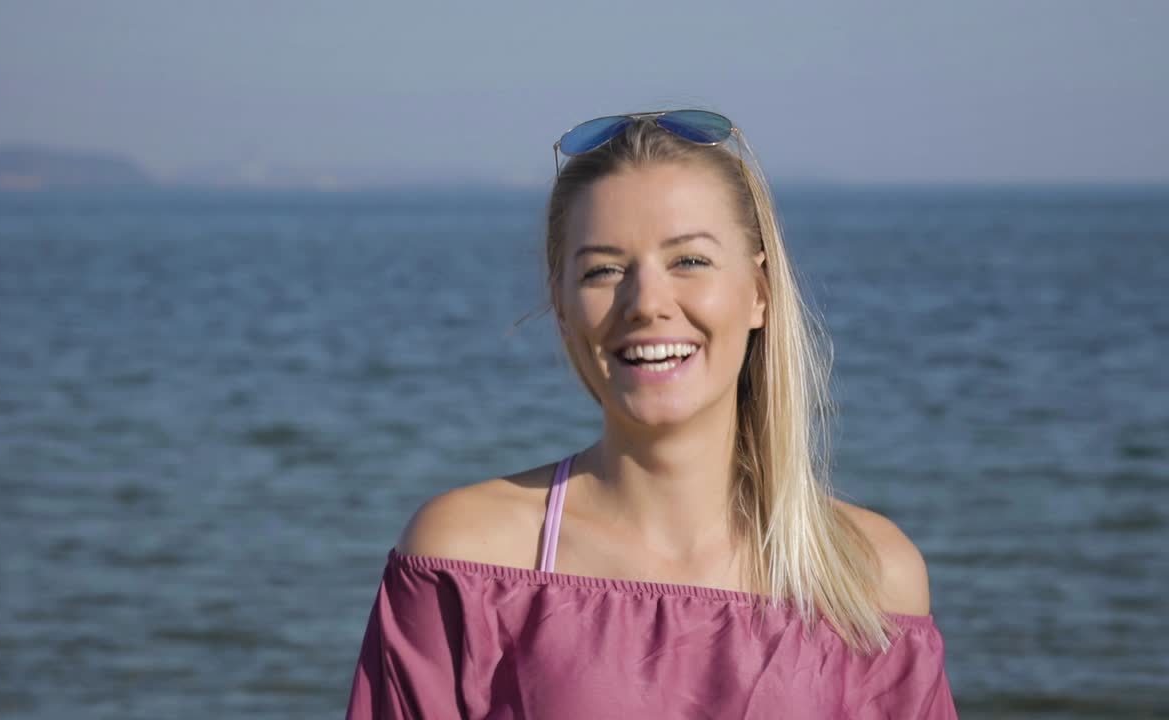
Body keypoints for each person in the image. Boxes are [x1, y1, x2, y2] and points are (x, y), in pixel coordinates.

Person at [344, 110, 959, 718]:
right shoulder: (467, 558)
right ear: (562, 307)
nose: (647, 304)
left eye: (689, 261)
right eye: (603, 270)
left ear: (759, 292)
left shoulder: (867, 576)